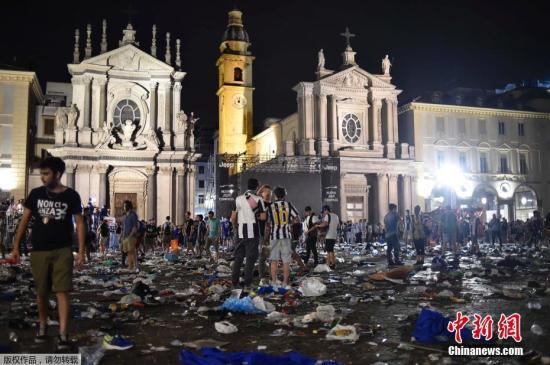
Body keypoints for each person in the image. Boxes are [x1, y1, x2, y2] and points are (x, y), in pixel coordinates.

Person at [10, 157, 85, 350]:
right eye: (41, 173)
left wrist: (81, 251)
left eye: (46, 174)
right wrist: (16, 246)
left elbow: (80, 224)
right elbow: (24, 221)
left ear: (58, 174)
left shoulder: (72, 196)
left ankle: (62, 334)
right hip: (39, 250)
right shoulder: (35, 194)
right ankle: (43, 327)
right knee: (41, 292)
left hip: (63, 249)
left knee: (63, 291)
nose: (42, 177)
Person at [230, 178, 266, 288]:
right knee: (250, 259)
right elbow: (263, 217)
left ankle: (234, 282)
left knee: (238, 258)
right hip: (252, 231)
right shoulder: (259, 199)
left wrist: (236, 227)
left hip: (241, 231)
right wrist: (257, 216)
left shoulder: (238, 199)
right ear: (256, 187)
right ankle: (247, 283)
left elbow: (233, 218)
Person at [266, 186, 299, 287]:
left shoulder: (270, 206)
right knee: (286, 260)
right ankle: (285, 282)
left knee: (274, 260)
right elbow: (297, 219)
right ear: (284, 195)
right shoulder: (289, 205)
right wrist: (289, 224)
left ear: (275, 195)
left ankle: (274, 282)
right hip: (286, 236)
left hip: (274, 236)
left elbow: (267, 223)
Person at [315, 205, 340, 269]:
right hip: (334, 235)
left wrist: (318, 226)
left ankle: (333, 264)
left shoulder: (327, 215)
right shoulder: (336, 216)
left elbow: (325, 224)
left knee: (330, 250)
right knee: (329, 250)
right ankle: (328, 263)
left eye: (324, 211)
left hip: (329, 235)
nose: (323, 213)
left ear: (326, 210)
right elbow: (338, 226)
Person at [257, 184, 272, 281]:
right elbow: (255, 195)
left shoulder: (273, 205)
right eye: (266, 191)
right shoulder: (259, 204)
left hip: (272, 235)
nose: (268, 193)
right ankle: (262, 276)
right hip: (261, 234)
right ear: (262, 193)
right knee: (262, 257)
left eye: (269, 192)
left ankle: (272, 276)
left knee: (272, 257)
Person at [121, 200, 139, 272]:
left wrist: (130, 236)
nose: (124, 207)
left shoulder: (133, 215)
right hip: (125, 237)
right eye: (124, 206)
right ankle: (130, 266)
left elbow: (135, 227)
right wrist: (122, 237)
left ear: (128, 206)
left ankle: (135, 266)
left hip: (131, 236)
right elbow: (124, 227)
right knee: (128, 252)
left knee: (132, 251)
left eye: (125, 206)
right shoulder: (125, 216)